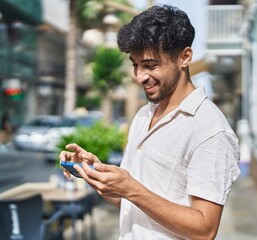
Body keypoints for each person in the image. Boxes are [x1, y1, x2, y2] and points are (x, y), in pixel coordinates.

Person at [60, 4, 240, 239]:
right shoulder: (144, 114)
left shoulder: (210, 130)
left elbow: (205, 230)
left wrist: (132, 189)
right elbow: (127, 200)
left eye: (151, 65)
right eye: (136, 65)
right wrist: (94, 174)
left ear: (185, 57)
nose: (140, 76)